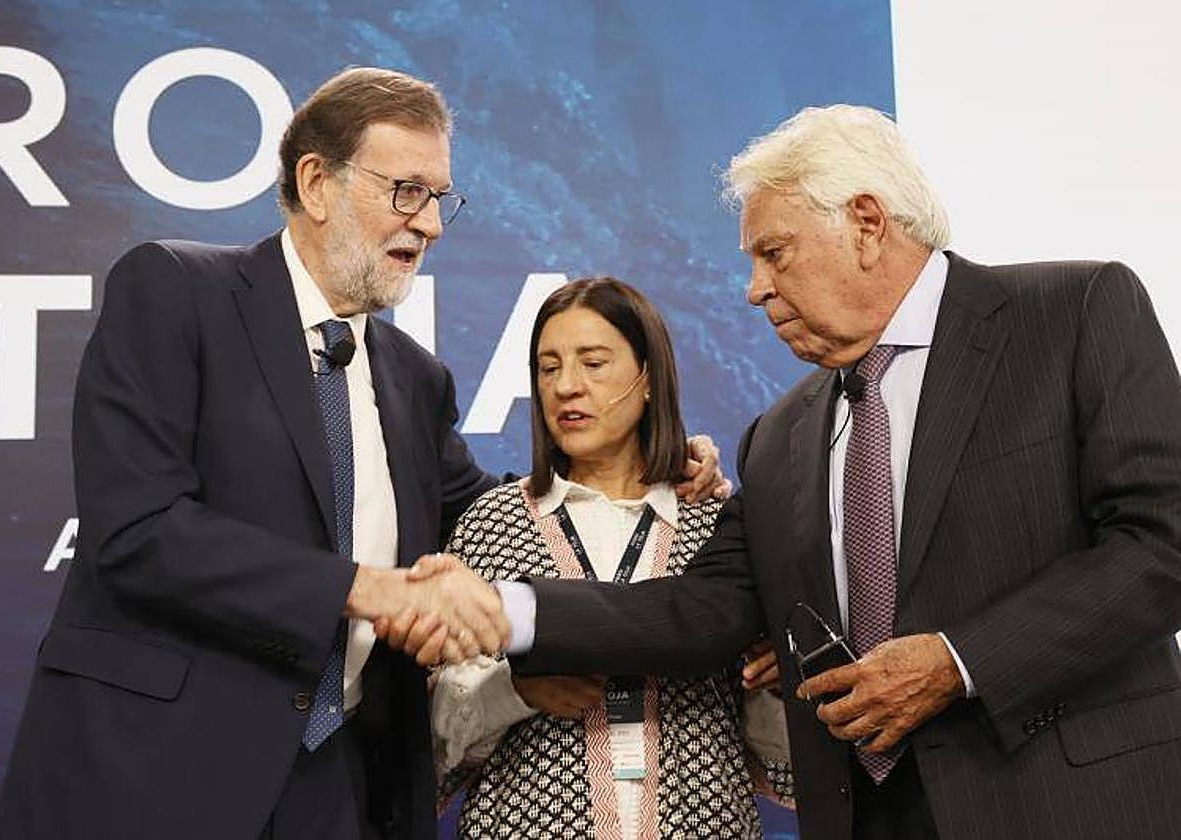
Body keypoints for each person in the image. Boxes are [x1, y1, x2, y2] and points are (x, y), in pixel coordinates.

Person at [400, 105, 1181, 839]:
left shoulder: (1072, 313)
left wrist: (957, 661)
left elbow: (1164, 544)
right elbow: (701, 609)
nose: (755, 290)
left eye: (775, 253)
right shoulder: (778, 438)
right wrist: (506, 609)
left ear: (868, 225)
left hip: (1069, 802)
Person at [0, 67, 726, 840]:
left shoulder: (414, 377)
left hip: (341, 788)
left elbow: (489, 515)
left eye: (441, 197)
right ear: (317, 184)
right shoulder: (176, 291)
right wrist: (365, 589)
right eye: (408, 190)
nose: (432, 223)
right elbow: (138, 530)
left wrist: (638, 470)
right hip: (159, 775)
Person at [425, 278, 794, 837]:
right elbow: (431, 742)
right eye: (548, 369)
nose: (566, 387)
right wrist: (515, 692)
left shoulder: (716, 524)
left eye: (593, 363)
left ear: (649, 378)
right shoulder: (493, 521)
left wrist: (773, 685)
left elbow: (785, 757)